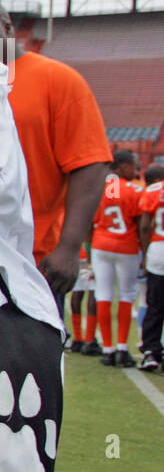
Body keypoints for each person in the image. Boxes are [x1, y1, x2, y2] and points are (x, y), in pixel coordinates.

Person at [0, 0, 111, 314]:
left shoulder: (59, 79)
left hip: (34, 257)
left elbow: (89, 165)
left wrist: (69, 248)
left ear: (7, 28)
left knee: (34, 359)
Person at [90, 150, 144, 366]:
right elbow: (142, 224)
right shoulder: (133, 190)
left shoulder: (98, 186)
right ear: (122, 167)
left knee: (103, 294)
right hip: (126, 246)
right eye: (134, 165)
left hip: (101, 244)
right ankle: (122, 347)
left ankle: (108, 349)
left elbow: (89, 220)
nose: (137, 169)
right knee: (126, 295)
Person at [135, 164, 164, 370]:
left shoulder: (153, 190)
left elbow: (145, 226)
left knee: (154, 305)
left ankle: (150, 352)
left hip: (158, 251)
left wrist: (145, 254)